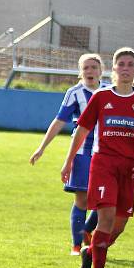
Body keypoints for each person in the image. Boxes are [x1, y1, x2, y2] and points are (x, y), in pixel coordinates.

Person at [60, 47, 134, 268]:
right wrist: (69, 160)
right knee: (106, 218)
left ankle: (89, 252)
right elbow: (81, 130)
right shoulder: (101, 97)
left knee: (120, 224)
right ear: (113, 69)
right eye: (120, 64)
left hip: (129, 167)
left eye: (129, 65)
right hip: (103, 164)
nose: (125, 69)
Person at [30, 53, 104, 255]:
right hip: (81, 152)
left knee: (104, 200)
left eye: (93, 67)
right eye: (86, 68)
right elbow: (59, 121)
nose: (90, 71)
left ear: (101, 71)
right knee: (82, 200)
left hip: (105, 153)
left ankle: (88, 232)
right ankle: (77, 245)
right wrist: (42, 147)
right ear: (80, 71)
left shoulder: (109, 92)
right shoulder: (75, 93)